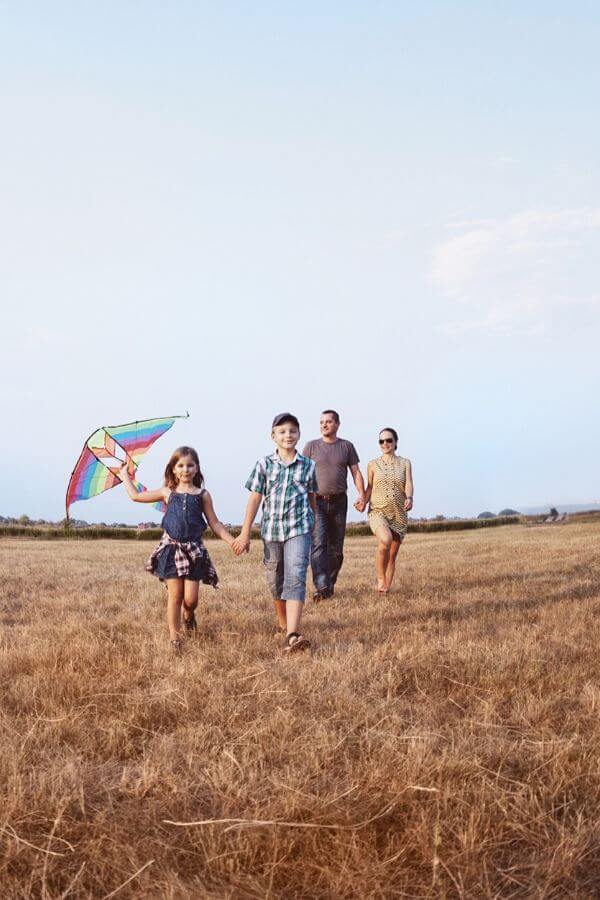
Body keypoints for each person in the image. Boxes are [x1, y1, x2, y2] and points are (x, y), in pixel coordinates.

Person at [119, 446, 238, 653]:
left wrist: (232, 541)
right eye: (180, 465)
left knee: (190, 600)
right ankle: (175, 637)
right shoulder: (167, 493)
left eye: (190, 465)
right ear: (173, 469)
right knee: (175, 596)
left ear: (197, 468)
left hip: (194, 551)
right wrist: (124, 476)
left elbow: (215, 523)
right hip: (172, 550)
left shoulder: (203, 495)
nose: (185, 469)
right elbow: (136, 496)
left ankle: (189, 615)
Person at [233, 413, 317, 653]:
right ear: (273, 436)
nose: (287, 436)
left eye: (292, 431)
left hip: (299, 528)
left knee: (296, 575)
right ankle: (282, 622)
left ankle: (293, 634)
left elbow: (312, 496)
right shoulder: (264, 464)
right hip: (271, 530)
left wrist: (313, 522)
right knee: (275, 579)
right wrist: (244, 533)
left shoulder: (309, 466)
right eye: (282, 432)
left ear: (299, 434)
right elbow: (255, 498)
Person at [302, 409, 366, 601]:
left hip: (340, 501)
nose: (324, 425)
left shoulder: (346, 446)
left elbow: (356, 473)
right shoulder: (311, 447)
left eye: (328, 421)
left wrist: (362, 495)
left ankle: (328, 585)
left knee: (336, 549)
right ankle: (321, 586)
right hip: (317, 502)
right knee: (319, 544)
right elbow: (302, 474)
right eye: (321, 421)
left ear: (337, 424)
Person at [356, 428, 413, 594]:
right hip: (378, 511)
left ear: (396, 442)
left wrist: (409, 497)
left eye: (389, 440)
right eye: (381, 441)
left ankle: (384, 589)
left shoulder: (405, 463)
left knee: (392, 554)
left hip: (399, 513)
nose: (385, 443)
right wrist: (363, 501)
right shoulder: (373, 464)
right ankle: (380, 578)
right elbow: (370, 487)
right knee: (385, 540)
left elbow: (408, 483)